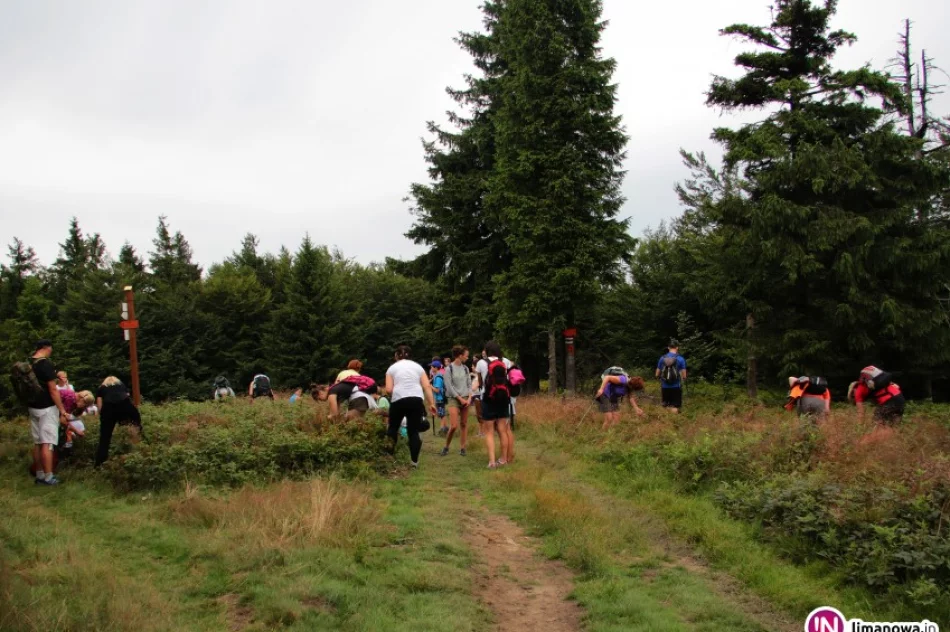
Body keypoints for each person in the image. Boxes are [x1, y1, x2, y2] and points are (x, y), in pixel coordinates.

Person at [18, 340, 69, 485]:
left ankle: (39, 474)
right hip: (46, 408)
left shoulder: (29, 363)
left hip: (33, 406)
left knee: (38, 442)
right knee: (47, 442)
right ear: (46, 348)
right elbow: (53, 390)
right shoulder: (45, 364)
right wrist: (62, 410)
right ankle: (48, 476)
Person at [385, 345, 438, 468]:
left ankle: (389, 458)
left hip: (398, 398)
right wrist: (431, 404)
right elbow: (426, 386)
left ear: (396, 355)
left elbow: (388, 389)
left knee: (393, 428)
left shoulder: (391, 368)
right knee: (413, 431)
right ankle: (414, 462)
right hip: (416, 399)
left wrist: (397, 393)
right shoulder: (418, 367)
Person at [477, 341, 514, 468]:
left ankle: (491, 462)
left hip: (488, 399)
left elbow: (480, 381)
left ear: (487, 351)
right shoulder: (506, 361)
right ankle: (503, 459)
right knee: (503, 430)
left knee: (489, 432)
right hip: (504, 398)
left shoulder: (482, 363)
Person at [95, 376, 144, 466]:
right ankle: (137, 454)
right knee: (135, 428)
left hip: (108, 409)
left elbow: (99, 406)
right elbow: (127, 397)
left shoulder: (101, 388)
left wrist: (103, 417)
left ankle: (99, 463)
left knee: (105, 438)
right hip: (125, 407)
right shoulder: (121, 385)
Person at [440, 346, 473, 457]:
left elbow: (469, 384)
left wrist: (469, 398)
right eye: (466, 355)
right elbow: (449, 387)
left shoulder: (466, 368)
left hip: (465, 398)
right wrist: (460, 399)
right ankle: (446, 446)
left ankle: (463, 448)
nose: (467, 357)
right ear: (460, 355)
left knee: (463, 424)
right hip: (454, 398)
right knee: (454, 426)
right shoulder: (449, 369)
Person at [656, 340, 687, 413]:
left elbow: (657, 374)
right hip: (676, 386)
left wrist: (659, 377)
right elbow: (684, 375)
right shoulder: (680, 359)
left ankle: (666, 421)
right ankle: (673, 422)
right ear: (677, 348)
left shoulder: (662, 358)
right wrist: (683, 378)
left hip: (665, 386)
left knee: (665, 405)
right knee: (675, 406)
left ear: (668, 348)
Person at [431, 360, 448, 435]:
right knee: (441, 414)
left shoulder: (438, 377)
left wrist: (430, 386)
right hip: (439, 398)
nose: (431, 368)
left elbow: (437, 390)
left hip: (440, 398)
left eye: (432, 366)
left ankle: (442, 429)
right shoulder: (437, 376)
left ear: (436, 368)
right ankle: (445, 428)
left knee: (442, 415)